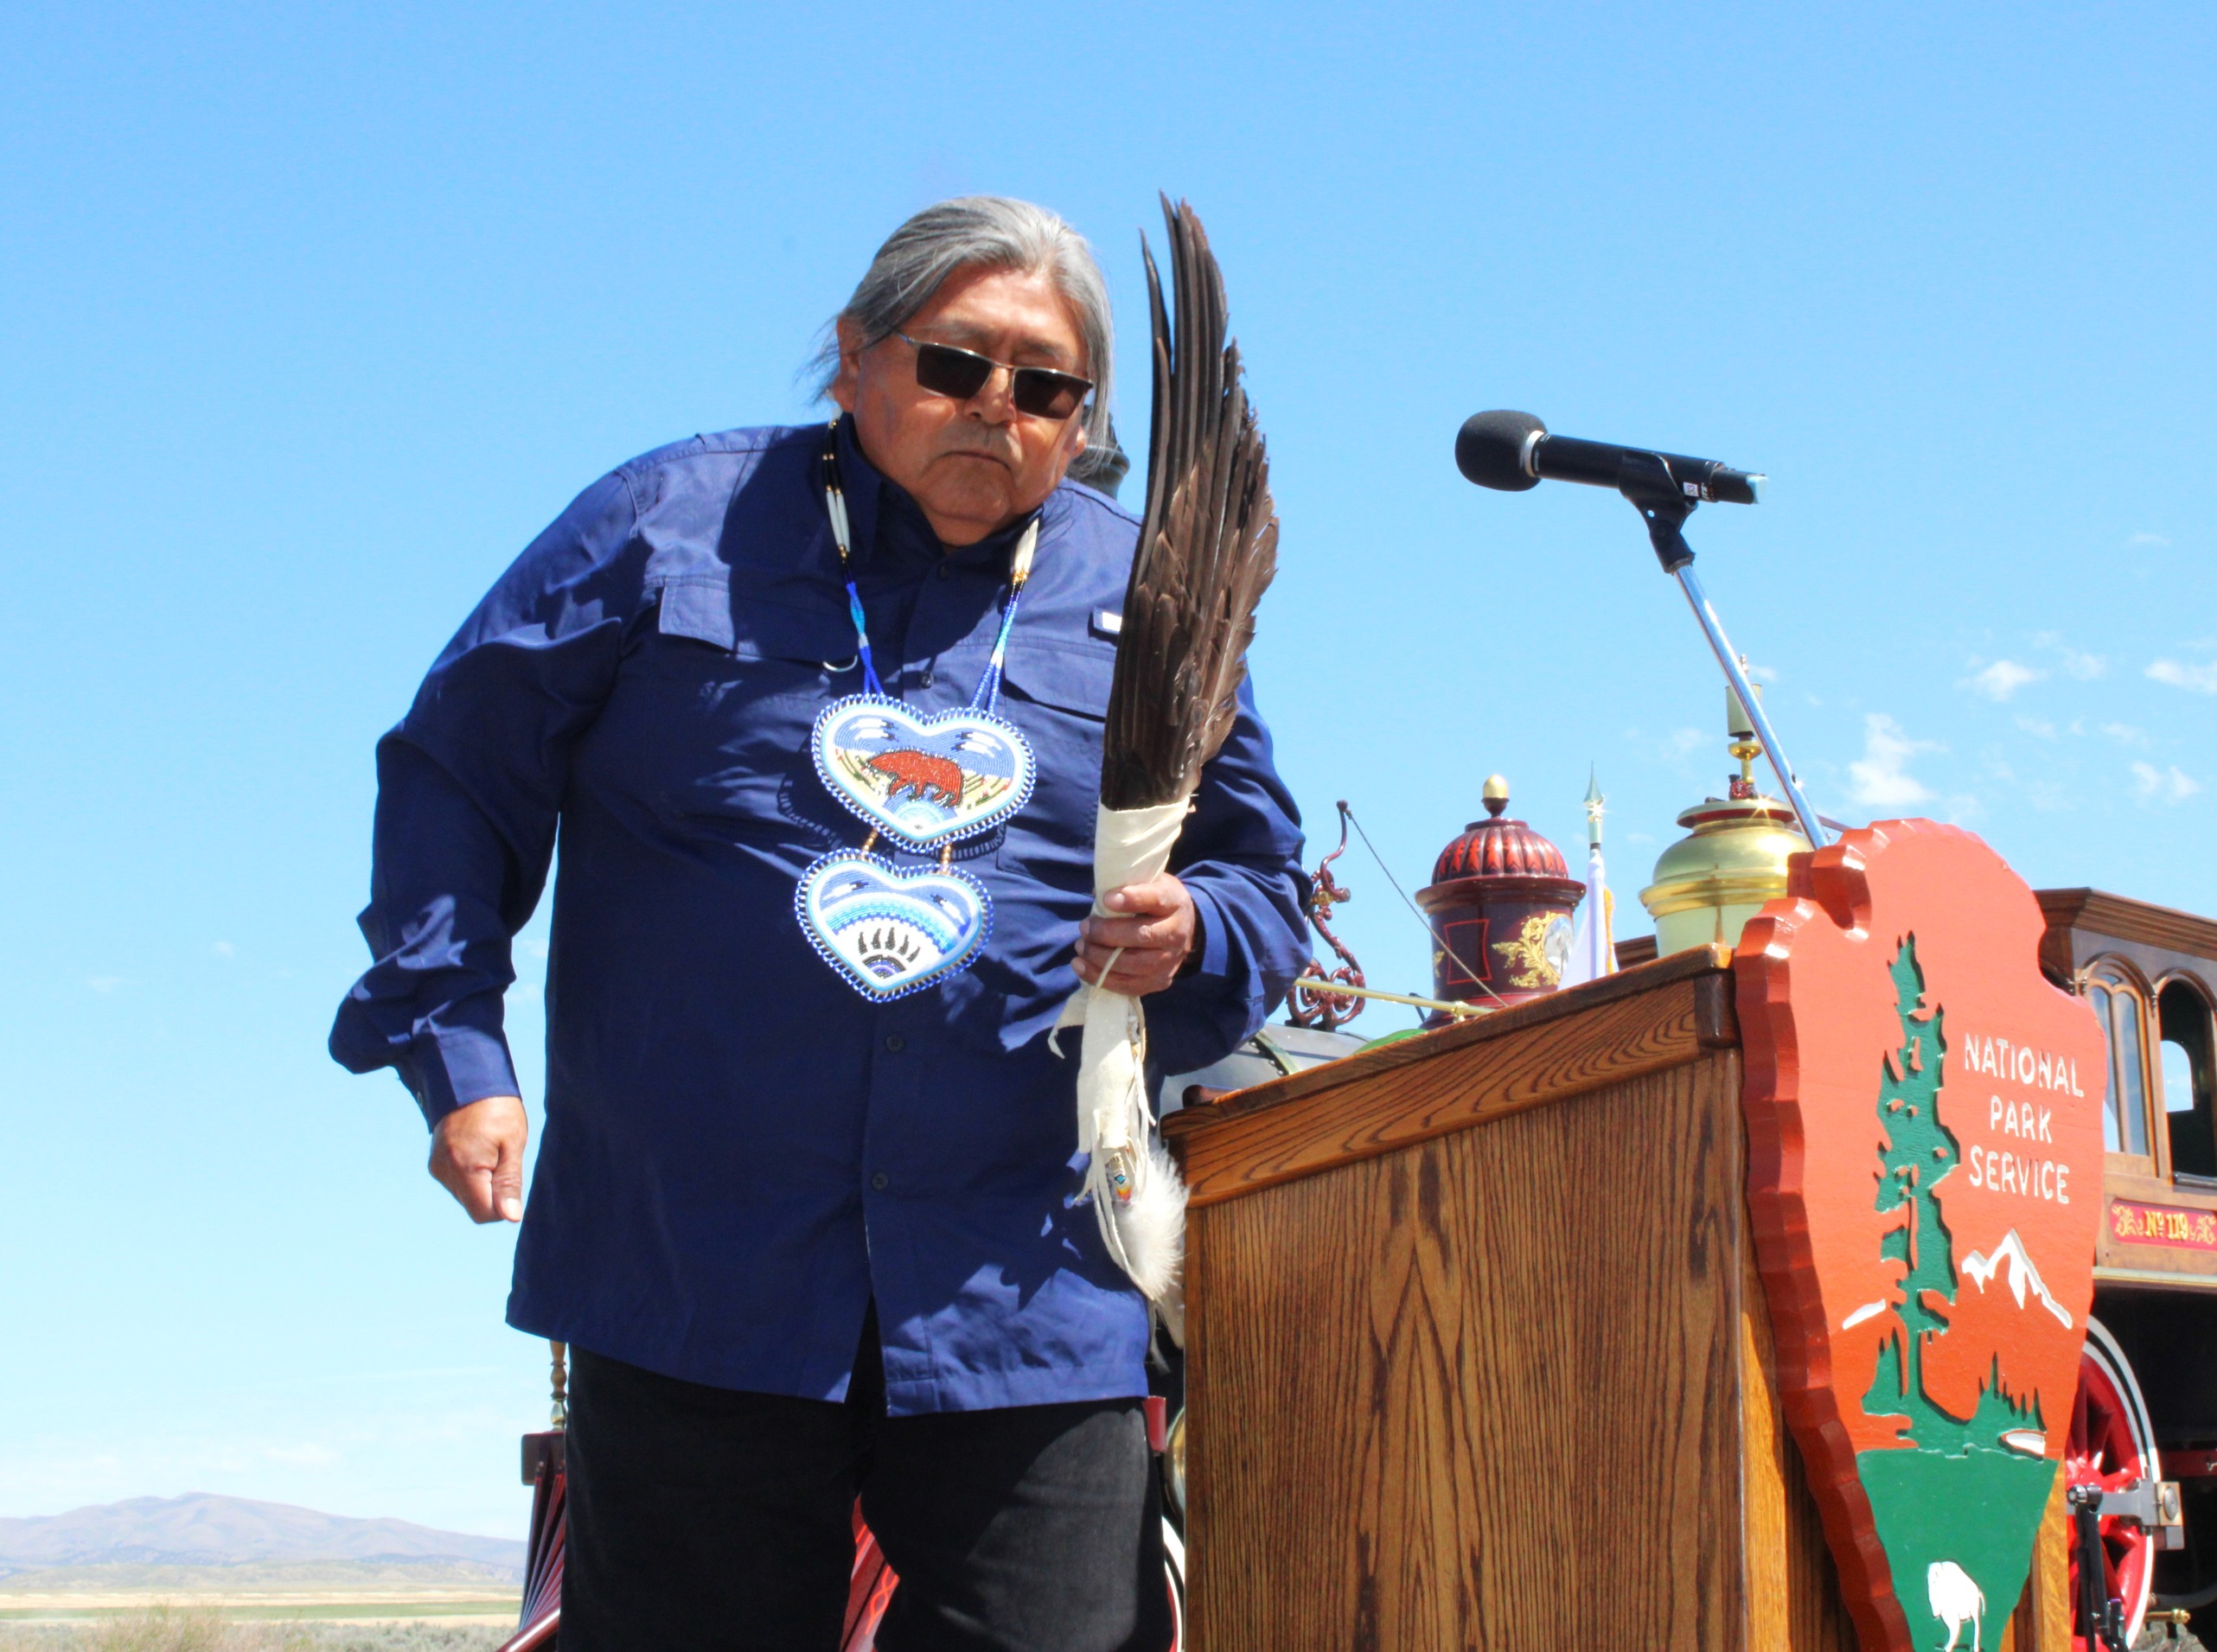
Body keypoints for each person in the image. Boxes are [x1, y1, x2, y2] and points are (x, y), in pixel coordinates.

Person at [329, 196, 1308, 1651]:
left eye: (1046, 388)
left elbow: (1261, 881)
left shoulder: (1136, 591)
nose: (998, 409)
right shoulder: (666, 529)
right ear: (853, 356)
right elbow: (454, 776)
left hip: (1021, 1284)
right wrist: (459, 1054)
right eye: (954, 364)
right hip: (692, 1269)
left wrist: (1196, 934)